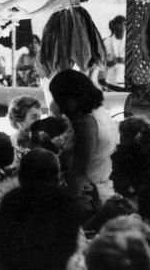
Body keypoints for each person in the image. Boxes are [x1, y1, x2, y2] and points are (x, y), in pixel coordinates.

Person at [49, 69, 119, 211]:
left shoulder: (86, 123)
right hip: (101, 185)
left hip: (88, 196)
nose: (61, 109)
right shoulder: (100, 112)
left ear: (73, 96)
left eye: (61, 100)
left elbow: (79, 172)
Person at [102, 15, 126, 88]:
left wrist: (124, 61)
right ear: (114, 26)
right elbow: (101, 62)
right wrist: (110, 62)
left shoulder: (129, 42)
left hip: (125, 79)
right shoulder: (107, 41)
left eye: (124, 25)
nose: (122, 27)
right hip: (110, 80)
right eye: (120, 25)